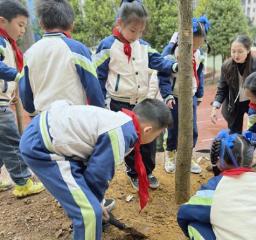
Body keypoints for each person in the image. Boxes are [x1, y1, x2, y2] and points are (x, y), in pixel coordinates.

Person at [19, 98, 173, 240]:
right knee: (89, 214)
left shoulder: (121, 121)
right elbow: (98, 174)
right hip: (43, 146)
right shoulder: (120, 133)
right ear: (148, 130)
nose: (156, 138)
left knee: (91, 204)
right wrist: (95, 203)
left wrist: (94, 199)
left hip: (51, 134)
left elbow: (92, 166)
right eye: (158, 135)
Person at [94, 0, 177, 189]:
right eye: (133, 30)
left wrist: (173, 66)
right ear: (119, 23)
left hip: (142, 102)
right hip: (120, 102)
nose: (137, 35)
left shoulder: (143, 46)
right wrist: (99, 103)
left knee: (148, 139)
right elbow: (98, 75)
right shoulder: (107, 46)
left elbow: (158, 61)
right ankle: (134, 173)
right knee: (130, 140)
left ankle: (148, 171)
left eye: (141, 31)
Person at [177, 130, 256, 240]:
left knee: (195, 224)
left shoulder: (215, 188)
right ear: (252, 161)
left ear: (219, 161)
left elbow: (185, 212)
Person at [19, 0, 104, 116]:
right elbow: (94, 89)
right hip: (74, 116)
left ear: (41, 23)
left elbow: (25, 94)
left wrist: (31, 110)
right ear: (71, 25)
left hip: (43, 119)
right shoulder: (78, 49)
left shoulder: (29, 53)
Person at [0, 0, 44, 197]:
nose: (23, 30)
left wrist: (11, 94)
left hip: (3, 100)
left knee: (2, 143)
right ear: (2, 21)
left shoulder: (7, 43)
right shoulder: (0, 42)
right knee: (11, 141)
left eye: (25, 26)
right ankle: (23, 183)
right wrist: (18, 76)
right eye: (20, 25)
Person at [158, 16, 209, 174]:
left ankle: (188, 155)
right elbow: (163, 75)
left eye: (200, 42)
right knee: (173, 128)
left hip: (190, 96)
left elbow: (199, 74)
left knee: (191, 128)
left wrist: (199, 94)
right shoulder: (173, 53)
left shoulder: (198, 53)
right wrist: (167, 95)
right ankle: (170, 155)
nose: (197, 45)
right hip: (174, 96)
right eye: (195, 42)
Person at [210, 35, 256, 134]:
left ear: (248, 50)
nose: (236, 55)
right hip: (234, 104)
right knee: (235, 136)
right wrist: (215, 108)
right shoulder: (226, 66)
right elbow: (222, 89)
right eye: (233, 51)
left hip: (253, 102)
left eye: (240, 51)